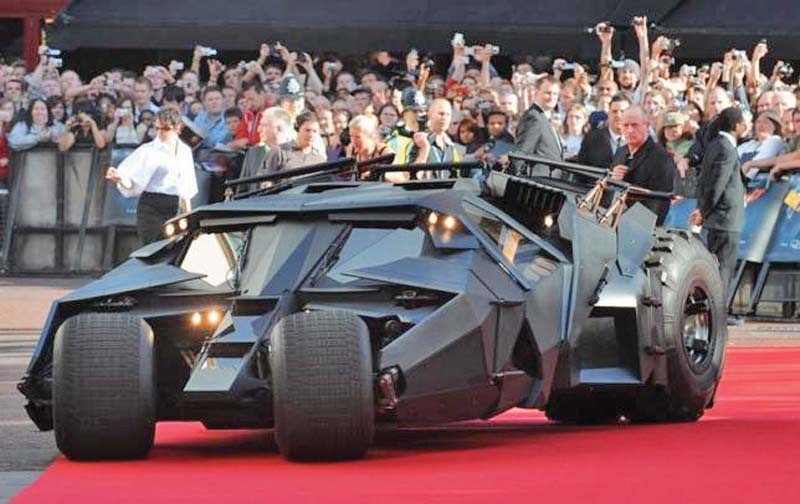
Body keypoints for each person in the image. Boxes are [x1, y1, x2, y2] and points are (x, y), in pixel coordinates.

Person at [104, 107, 198, 245]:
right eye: (157, 128)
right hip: (152, 205)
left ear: (177, 128)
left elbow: (187, 187)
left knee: (177, 249)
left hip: (176, 206)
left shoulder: (185, 151)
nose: (160, 133)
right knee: (152, 249)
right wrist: (120, 178)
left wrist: (189, 217)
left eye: (165, 129)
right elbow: (132, 180)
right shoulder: (148, 150)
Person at [690, 107, 747, 303]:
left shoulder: (716, 145)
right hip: (724, 219)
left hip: (717, 219)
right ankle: (719, 314)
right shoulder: (725, 148)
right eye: (743, 123)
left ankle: (715, 312)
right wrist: (704, 211)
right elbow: (717, 184)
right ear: (737, 125)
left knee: (717, 268)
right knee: (723, 269)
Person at [610, 106, 675, 225]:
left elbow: (660, 202)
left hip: (642, 226)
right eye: (625, 125)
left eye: (635, 125)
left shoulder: (661, 157)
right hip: (614, 222)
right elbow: (608, 193)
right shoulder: (621, 152)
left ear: (647, 126)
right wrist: (614, 181)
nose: (630, 130)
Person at [511, 75, 563, 177]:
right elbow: (521, 154)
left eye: (555, 94)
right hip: (538, 183)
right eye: (548, 93)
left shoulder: (544, 117)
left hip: (550, 181)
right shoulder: (533, 118)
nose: (552, 97)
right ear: (536, 92)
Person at [258, 111, 326, 177]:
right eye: (307, 130)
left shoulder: (320, 159)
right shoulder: (279, 152)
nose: (311, 135)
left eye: (315, 131)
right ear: (297, 129)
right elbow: (265, 181)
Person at [578, 93, 631, 168]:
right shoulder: (592, 138)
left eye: (622, 111)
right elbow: (581, 168)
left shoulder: (639, 141)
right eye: (614, 111)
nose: (618, 115)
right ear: (608, 114)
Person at [344, 114, 396, 180]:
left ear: (369, 136)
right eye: (351, 136)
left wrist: (376, 174)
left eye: (358, 137)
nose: (353, 141)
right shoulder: (351, 149)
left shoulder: (384, 152)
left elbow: (400, 178)